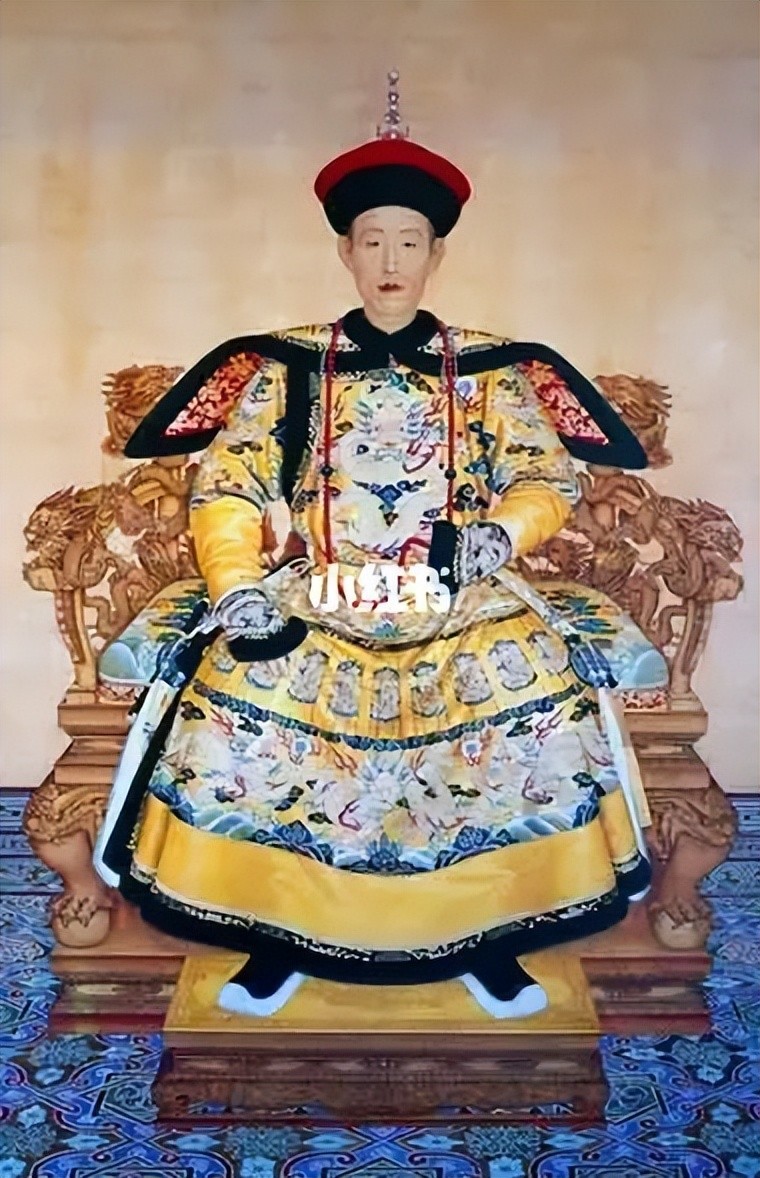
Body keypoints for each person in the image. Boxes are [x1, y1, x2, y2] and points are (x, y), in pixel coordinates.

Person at [96, 75, 652, 1019]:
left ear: (437, 253)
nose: (391, 261)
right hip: (325, 587)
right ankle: (277, 931)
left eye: (409, 242)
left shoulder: (490, 367)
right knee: (247, 696)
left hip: (458, 593)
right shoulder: (287, 365)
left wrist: (501, 533)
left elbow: (545, 477)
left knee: (520, 695)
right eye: (372, 241)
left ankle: (492, 933)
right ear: (345, 251)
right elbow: (228, 485)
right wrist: (237, 584)